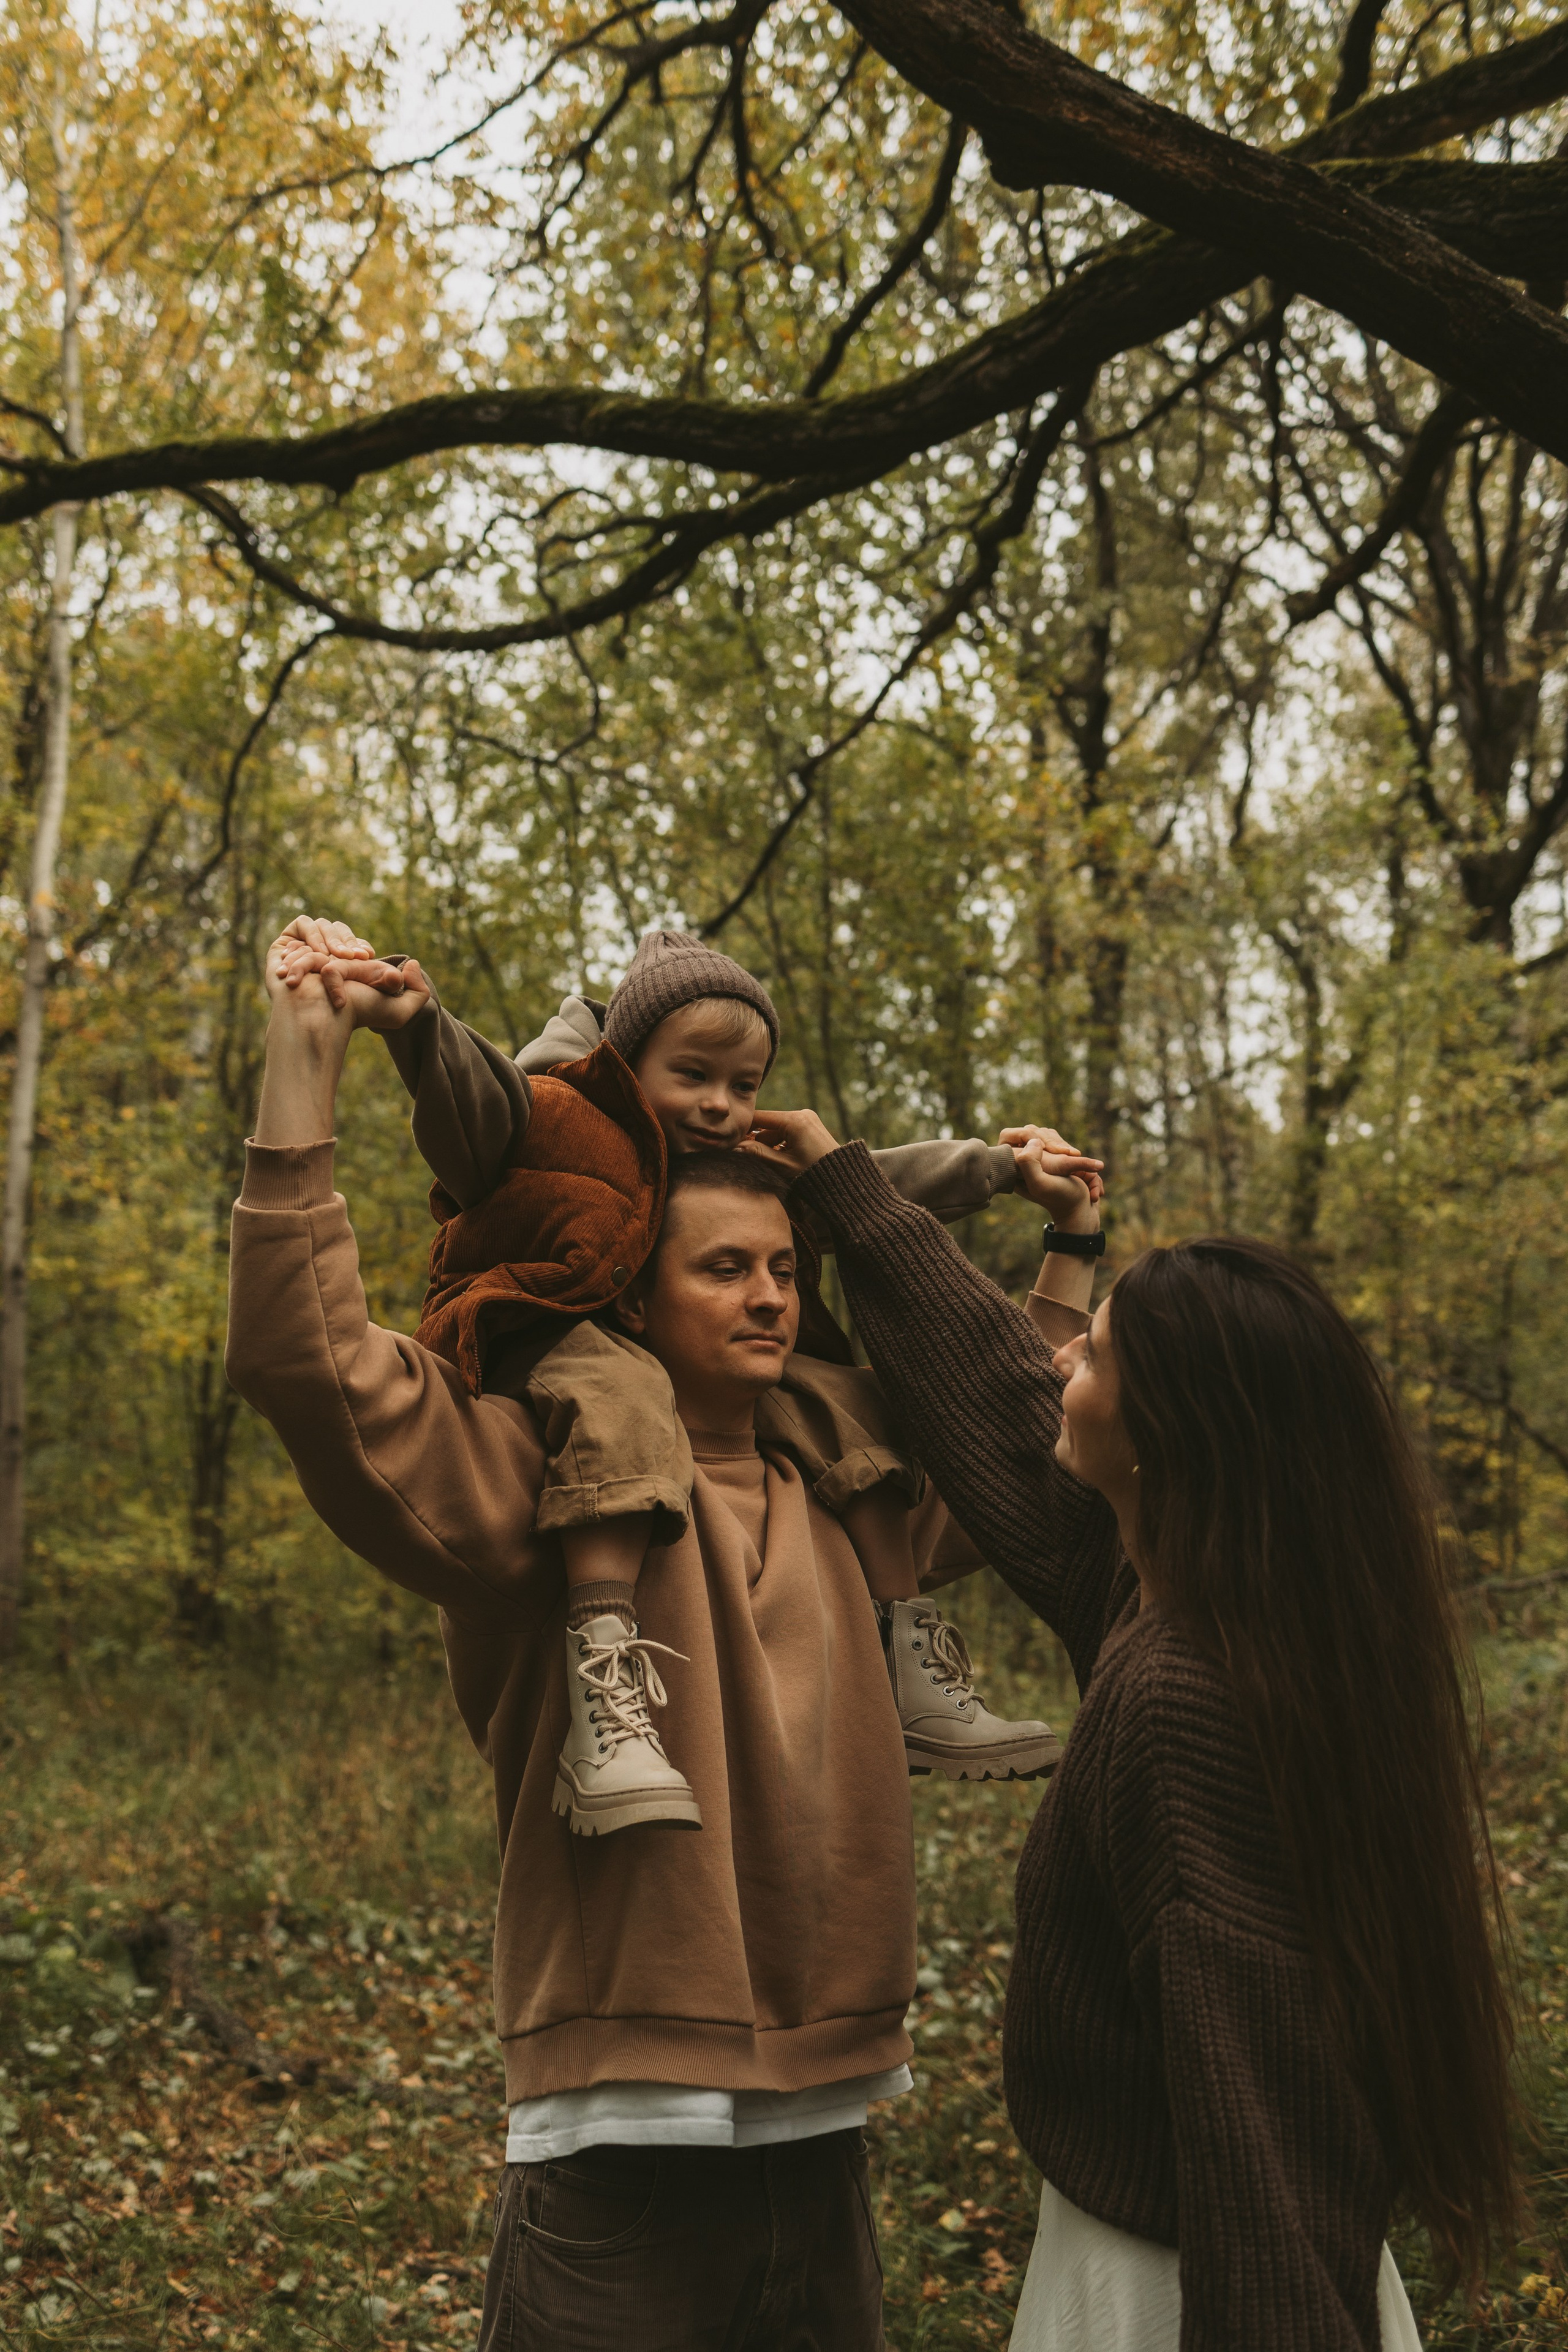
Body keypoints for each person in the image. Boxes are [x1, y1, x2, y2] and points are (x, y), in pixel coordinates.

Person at [224, 937, 1096, 2350]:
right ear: (634, 1294)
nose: (768, 1296)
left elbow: (1016, 1444)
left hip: (827, 2143)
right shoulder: (529, 1482)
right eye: (723, 1270)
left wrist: (1060, 1239)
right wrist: (307, 1060)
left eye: (779, 1272)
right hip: (620, 2160)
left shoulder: (837, 1480)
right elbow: (305, 1367)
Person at [747, 1107, 1521, 2351]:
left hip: (1190, 2293)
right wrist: (849, 1192)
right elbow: (991, 1402)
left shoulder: (1179, 1703)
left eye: (1092, 1358)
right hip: (1181, 2253)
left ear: (1169, 1438)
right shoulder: (1203, 1601)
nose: (1058, 1364)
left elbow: (1254, 2105)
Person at [269, 913, 1067, 1831]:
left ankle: (908, 1652)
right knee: (625, 1399)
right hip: (543, 1324)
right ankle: (606, 1667)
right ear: (626, 1061)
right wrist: (419, 1026)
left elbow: (874, 1181)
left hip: (668, 1362)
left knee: (847, 1399)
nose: (722, 1106)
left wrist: (1003, 1169)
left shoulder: (735, 1167)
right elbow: (478, 1104)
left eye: (743, 1085)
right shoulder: (564, 1120)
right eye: (692, 1076)